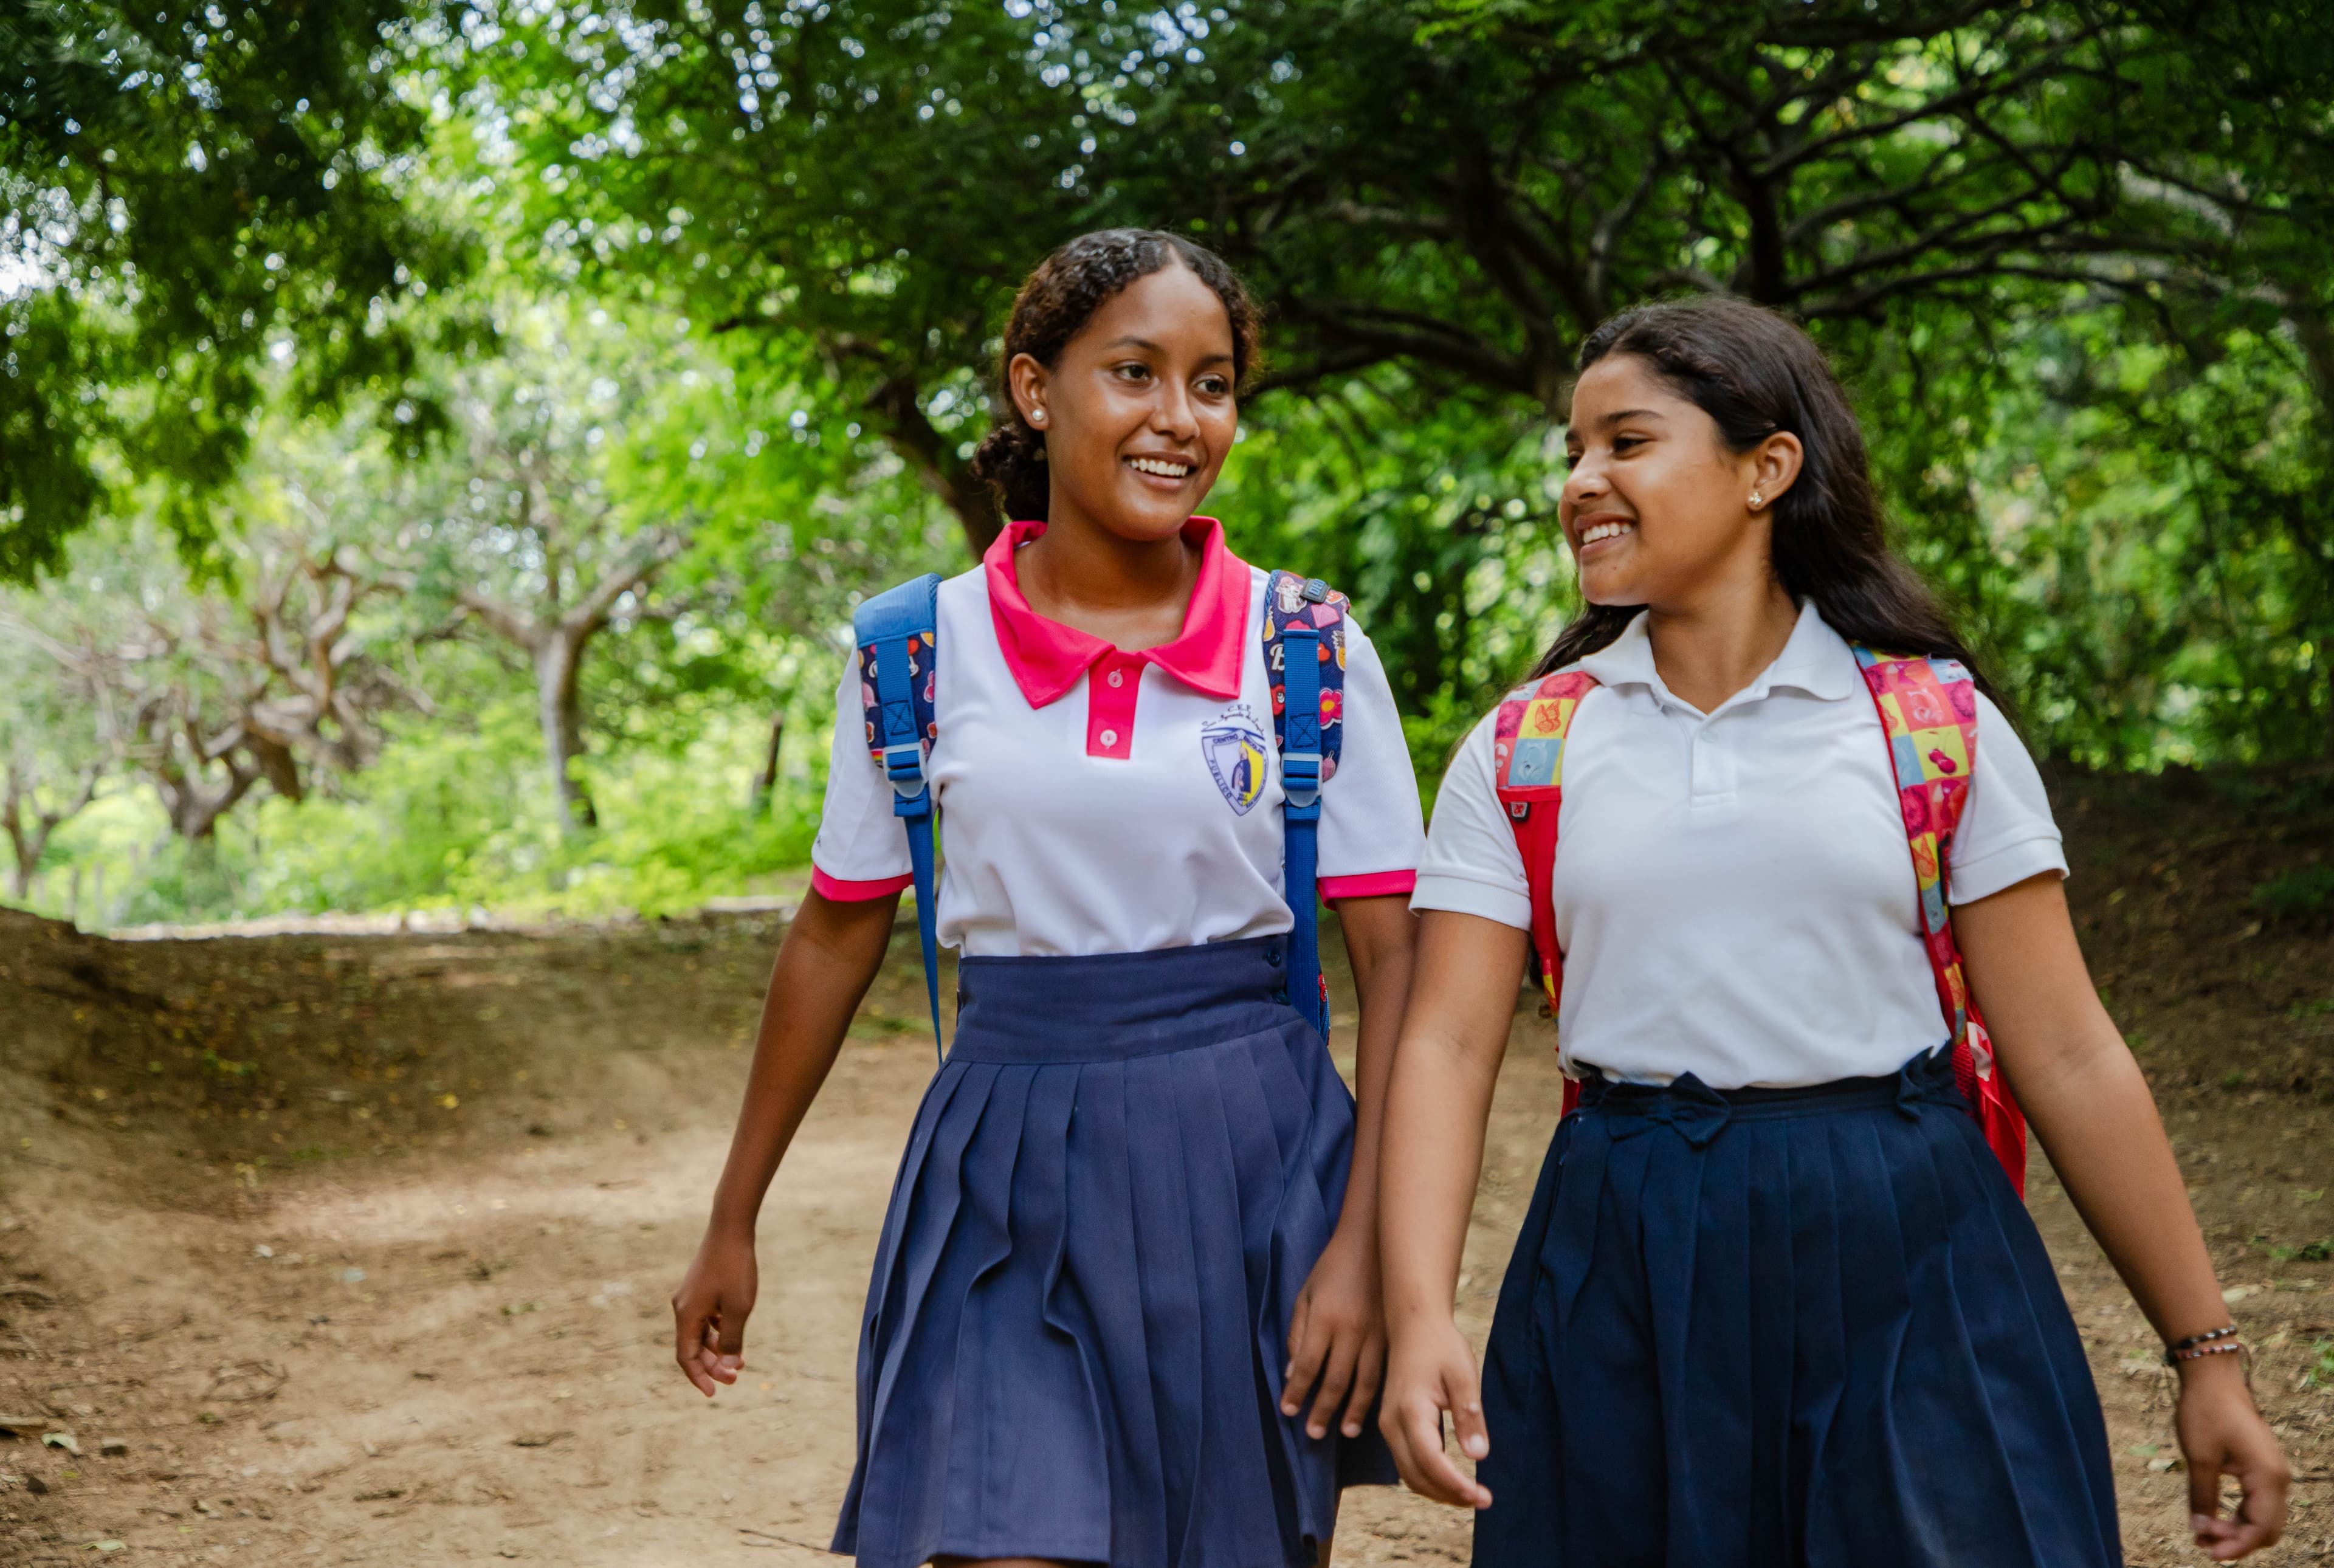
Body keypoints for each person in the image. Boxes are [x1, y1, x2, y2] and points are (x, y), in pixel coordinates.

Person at [1374, 296, 2290, 1566]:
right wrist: (1420, 1313)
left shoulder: (1933, 726)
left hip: (1912, 1243)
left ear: (1768, 466)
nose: (1583, 482)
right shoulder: (1529, 747)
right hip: (1623, 1254)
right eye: (1572, 454)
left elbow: (2070, 1051)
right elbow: (1444, 1051)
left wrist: (2208, 1356)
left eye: (1626, 443)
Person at [670, 229, 1424, 1568]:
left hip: (1253, 1165)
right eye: (1133, 373)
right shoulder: (911, 647)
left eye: (1213, 384)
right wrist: (735, 1216)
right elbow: (837, 932)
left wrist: (1372, 1249)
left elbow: (1406, 981)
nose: (1177, 420)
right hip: (1003, 1162)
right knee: (991, 1537)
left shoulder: (1304, 646)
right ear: (1037, 389)